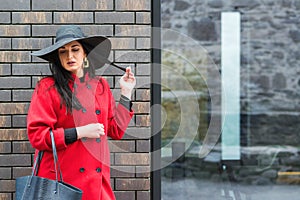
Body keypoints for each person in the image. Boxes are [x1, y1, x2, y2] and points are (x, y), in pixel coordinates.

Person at [27, 25, 136, 200]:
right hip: (61, 184)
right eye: (63, 52)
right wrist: (80, 132)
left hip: (97, 184)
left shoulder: (100, 86)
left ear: (85, 53)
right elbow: (38, 136)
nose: (69, 56)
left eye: (75, 49)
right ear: (58, 57)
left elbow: (116, 130)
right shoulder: (47, 87)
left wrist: (126, 93)